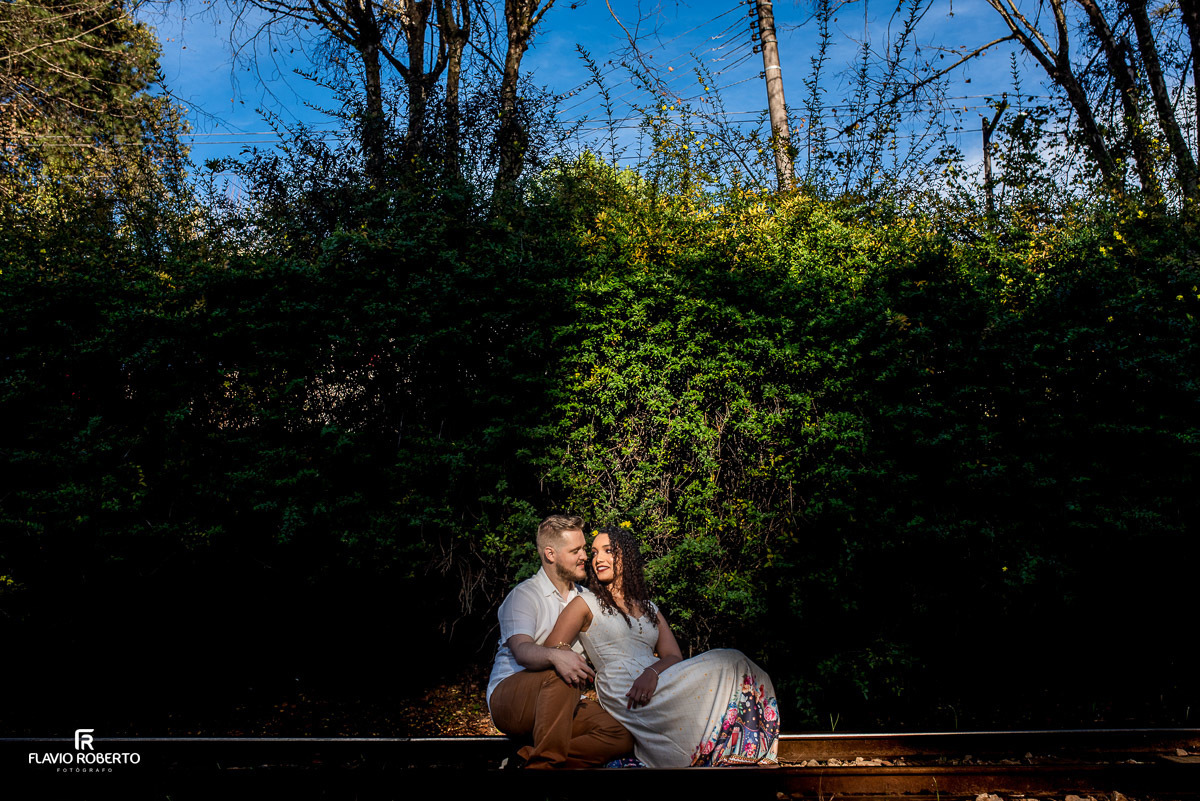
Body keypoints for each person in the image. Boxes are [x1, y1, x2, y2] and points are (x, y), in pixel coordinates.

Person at [544, 526, 780, 767]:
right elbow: (552, 649)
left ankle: (736, 757)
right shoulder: (585, 603)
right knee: (731, 660)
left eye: (608, 551)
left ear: (627, 556)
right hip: (625, 688)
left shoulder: (648, 606)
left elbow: (672, 655)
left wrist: (652, 672)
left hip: (658, 678)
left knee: (735, 662)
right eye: (594, 553)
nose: (598, 559)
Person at [487, 515, 634, 769]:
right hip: (511, 699)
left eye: (584, 548)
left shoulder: (587, 599)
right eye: (576, 550)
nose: (585, 556)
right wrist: (557, 656)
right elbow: (522, 650)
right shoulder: (524, 596)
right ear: (550, 554)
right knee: (563, 671)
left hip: (563, 700)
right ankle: (542, 768)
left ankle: (526, 760)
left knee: (619, 736)